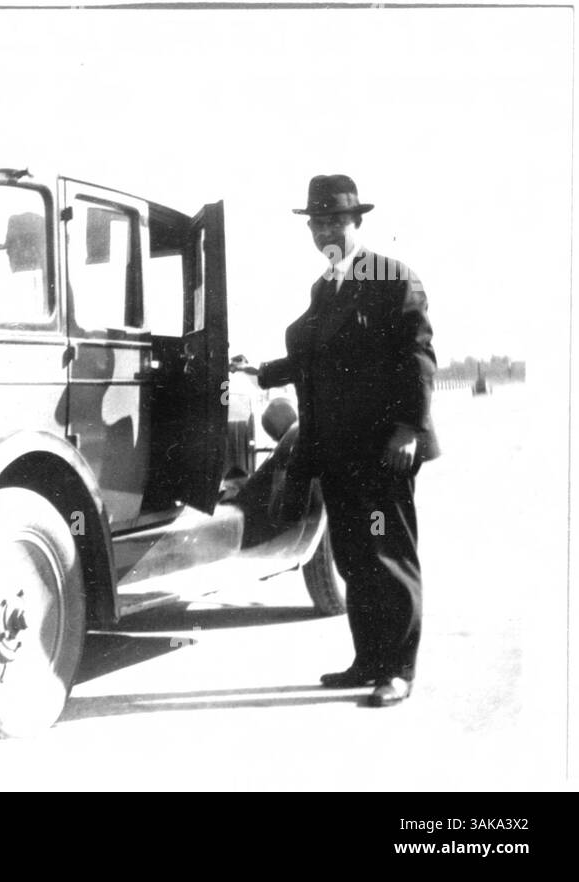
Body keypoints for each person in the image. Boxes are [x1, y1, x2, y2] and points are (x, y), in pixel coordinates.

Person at [258, 174, 439, 707]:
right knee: (355, 557)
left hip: (382, 449)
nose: (324, 230)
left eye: (335, 220)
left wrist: (409, 430)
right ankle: (368, 661)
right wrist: (261, 372)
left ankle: (399, 671)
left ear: (357, 221)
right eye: (316, 222)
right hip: (337, 450)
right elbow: (315, 358)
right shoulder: (325, 286)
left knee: (388, 554)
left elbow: (418, 357)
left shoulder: (389, 277)